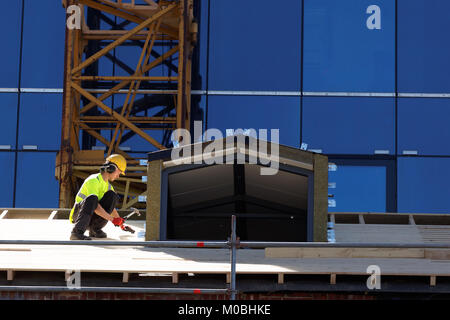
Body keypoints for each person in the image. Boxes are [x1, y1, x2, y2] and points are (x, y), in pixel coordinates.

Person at [69, 154, 127, 240]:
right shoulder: (93, 180)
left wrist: (121, 223)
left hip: (90, 216)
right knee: (92, 198)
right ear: (112, 168)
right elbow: (95, 206)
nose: (118, 176)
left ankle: (94, 230)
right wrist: (112, 220)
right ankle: (76, 232)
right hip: (78, 215)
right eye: (119, 172)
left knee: (113, 196)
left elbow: (112, 209)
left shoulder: (109, 187)